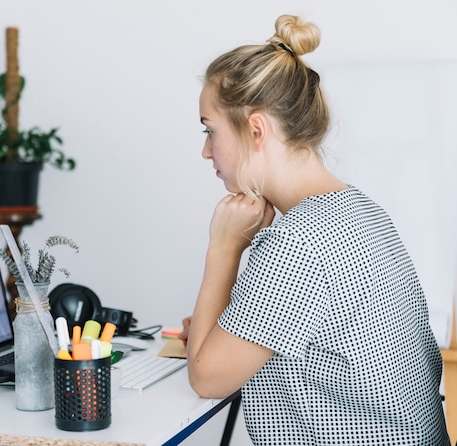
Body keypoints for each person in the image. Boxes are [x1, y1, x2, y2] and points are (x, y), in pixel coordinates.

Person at [180, 14, 449, 445]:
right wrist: (224, 330)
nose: (205, 150)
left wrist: (225, 246)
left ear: (255, 129)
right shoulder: (362, 211)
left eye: (211, 131)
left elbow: (207, 378)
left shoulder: (297, 240)